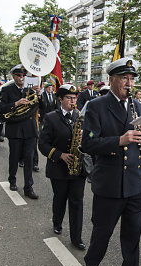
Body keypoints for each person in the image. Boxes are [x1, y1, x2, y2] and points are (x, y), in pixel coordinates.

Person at [82, 57, 141, 266]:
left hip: (135, 183)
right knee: (103, 231)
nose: (129, 83)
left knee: (132, 237)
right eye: (124, 78)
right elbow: (88, 144)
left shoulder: (139, 107)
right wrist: (119, 140)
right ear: (112, 80)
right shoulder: (97, 106)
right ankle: (92, 263)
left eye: (132, 78)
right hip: (110, 182)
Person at [38, 84, 86, 250]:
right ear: (60, 99)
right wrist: (61, 155)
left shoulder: (81, 117)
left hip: (78, 167)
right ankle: (57, 222)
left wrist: (84, 138)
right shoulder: (50, 117)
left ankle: (76, 237)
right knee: (60, 198)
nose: (73, 101)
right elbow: (43, 144)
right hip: (58, 168)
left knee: (77, 202)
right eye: (69, 98)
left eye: (74, 98)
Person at [0, 64, 39, 199]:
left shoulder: (31, 90)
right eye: (18, 75)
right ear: (13, 76)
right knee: (14, 156)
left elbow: (41, 107)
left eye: (23, 75)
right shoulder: (7, 90)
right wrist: (16, 103)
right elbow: (0, 109)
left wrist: (39, 94)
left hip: (30, 129)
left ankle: (28, 186)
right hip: (15, 129)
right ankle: (12, 180)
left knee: (29, 159)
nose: (21, 78)